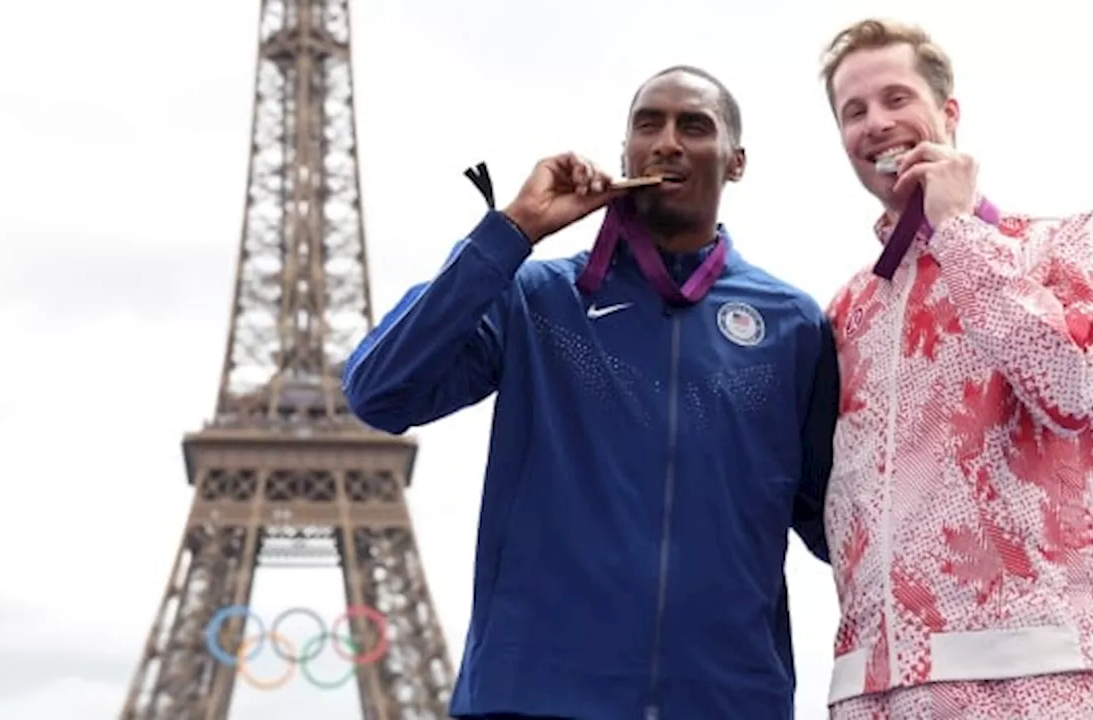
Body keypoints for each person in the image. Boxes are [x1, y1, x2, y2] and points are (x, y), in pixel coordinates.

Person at [342, 66, 839, 720]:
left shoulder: (793, 325)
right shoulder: (535, 297)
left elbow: (839, 522)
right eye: (648, 124)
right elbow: (379, 391)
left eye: (694, 126)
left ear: (736, 162)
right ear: (625, 152)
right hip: (536, 698)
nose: (667, 141)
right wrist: (511, 231)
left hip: (728, 700)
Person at [816, 18, 1093, 719]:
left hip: (1027, 678)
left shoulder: (1062, 245)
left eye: (896, 99)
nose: (877, 123)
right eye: (854, 111)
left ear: (949, 113)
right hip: (866, 689)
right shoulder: (847, 308)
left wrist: (960, 230)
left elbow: (1070, 385)